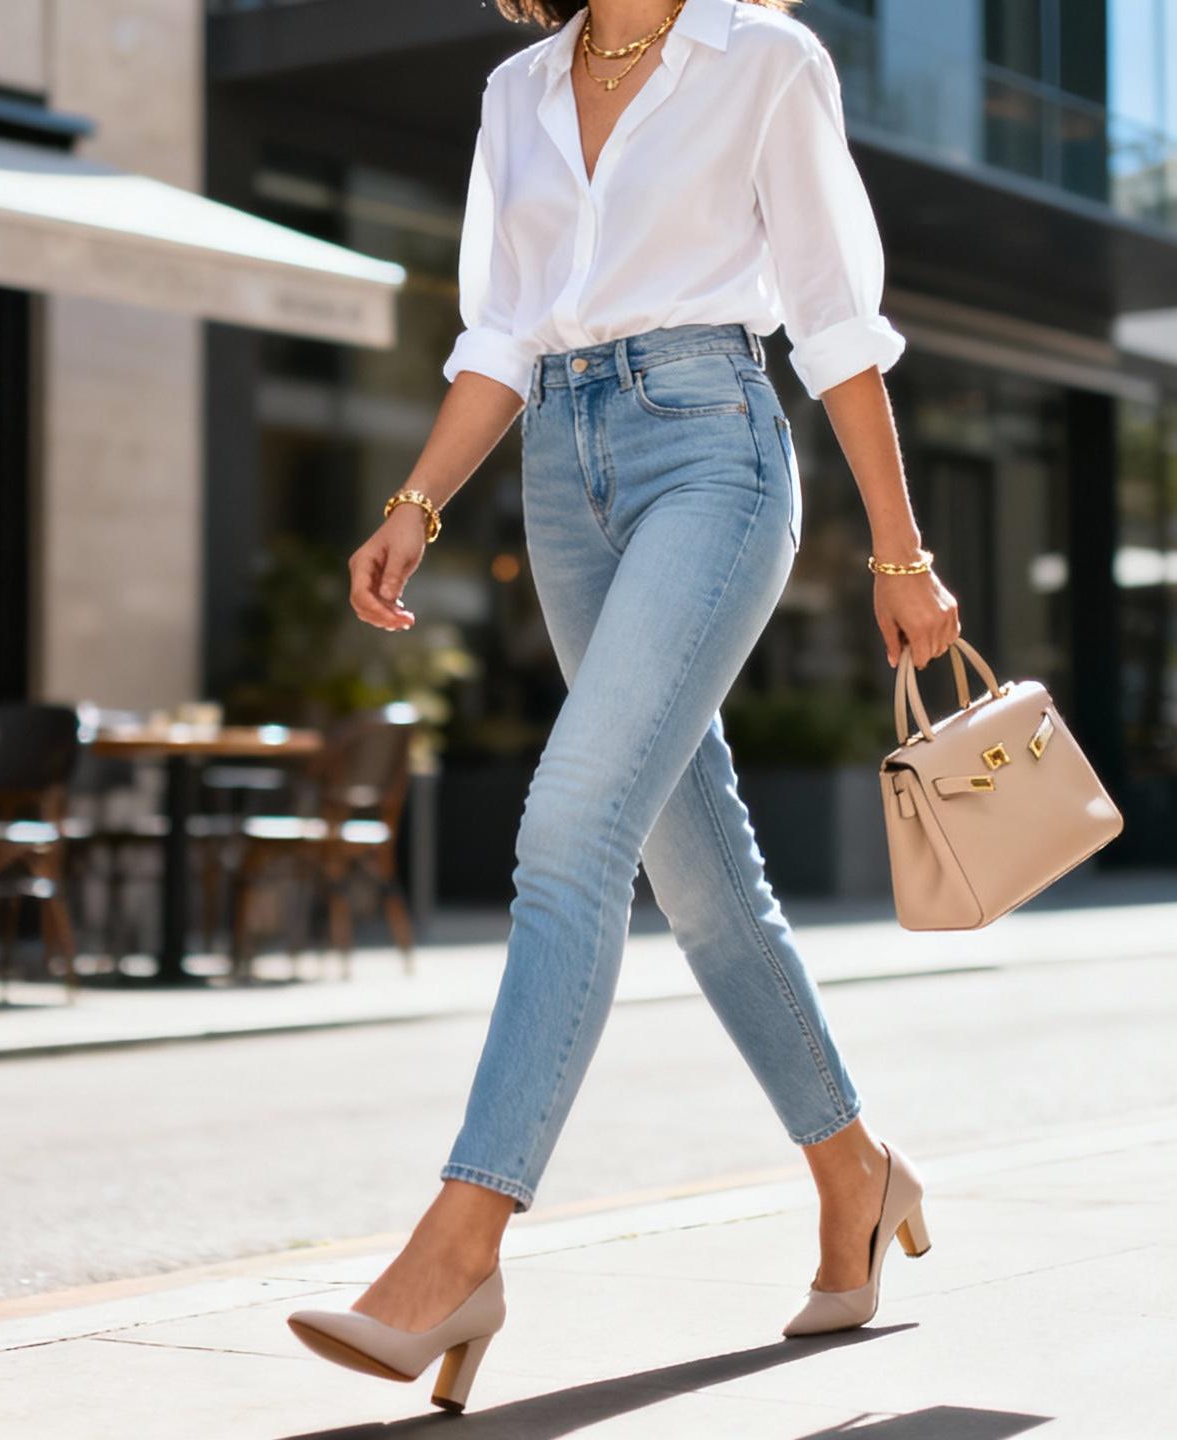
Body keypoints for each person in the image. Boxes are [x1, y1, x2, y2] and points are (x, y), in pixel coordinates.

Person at [288, 0, 959, 1410]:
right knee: (700, 876)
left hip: (714, 450)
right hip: (561, 473)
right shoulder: (520, 90)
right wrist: (416, 503)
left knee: (570, 832)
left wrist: (900, 553)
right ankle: (856, 1167)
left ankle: (461, 1245)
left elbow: (835, 319)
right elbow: (502, 332)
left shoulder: (763, 61)